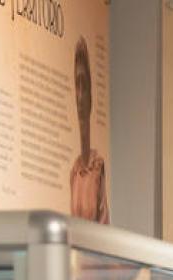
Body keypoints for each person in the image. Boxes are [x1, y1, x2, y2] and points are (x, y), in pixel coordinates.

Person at [69, 37, 109, 223]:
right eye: (77, 85)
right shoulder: (74, 173)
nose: (80, 94)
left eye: (84, 84)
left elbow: (103, 222)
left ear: (91, 96)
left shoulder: (97, 167)